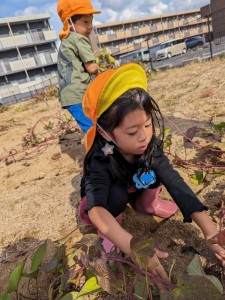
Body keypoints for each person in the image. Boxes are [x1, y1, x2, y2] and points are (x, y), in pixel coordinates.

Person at [78, 63, 225, 282]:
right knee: (115, 197)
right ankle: (112, 230)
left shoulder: (148, 146)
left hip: (134, 183)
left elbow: (174, 181)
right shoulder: (100, 158)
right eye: (132, 131)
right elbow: (96, 209)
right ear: (105, 132)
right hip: (110, 193)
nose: (143, 136)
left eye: (147, 125)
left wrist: (210, 231)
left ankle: (147, 204)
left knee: (156, 172)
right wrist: (133, 246)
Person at [57, 0, 101, 133]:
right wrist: (101, 72)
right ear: (69, 23)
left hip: (69, 95)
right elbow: (92, 68)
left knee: (89, 124)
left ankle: (101, 146)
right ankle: (103, 150)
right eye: (85, 22)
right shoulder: (79, 38)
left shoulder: (66, 41)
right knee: (92, 128)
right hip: (78, 94)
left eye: (91, 21)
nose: (90, 26)